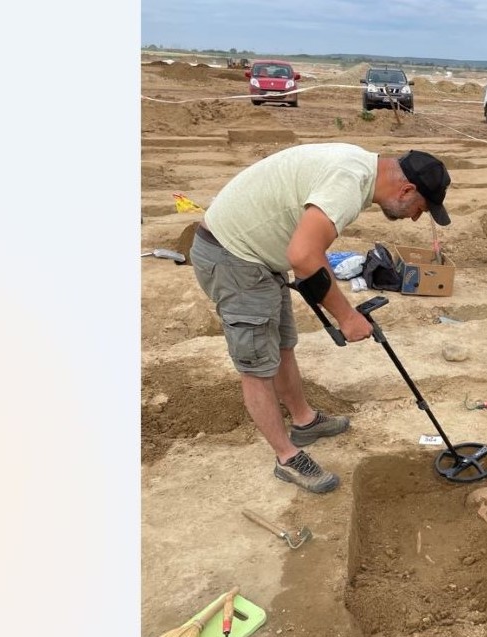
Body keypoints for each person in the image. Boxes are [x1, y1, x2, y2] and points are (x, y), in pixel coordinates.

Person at [188, 143, 452, 493]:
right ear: (406, 190)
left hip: (258, 257)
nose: (416, 217)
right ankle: (287, 458)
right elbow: (304, 255)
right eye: (421, 208)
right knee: (256, 365)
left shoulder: (359, 168)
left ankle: (304, 421)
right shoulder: (348, 183)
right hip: (233, 257)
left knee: (282, 345)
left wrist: (341, 308)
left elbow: (309, 255)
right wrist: (346, 316)